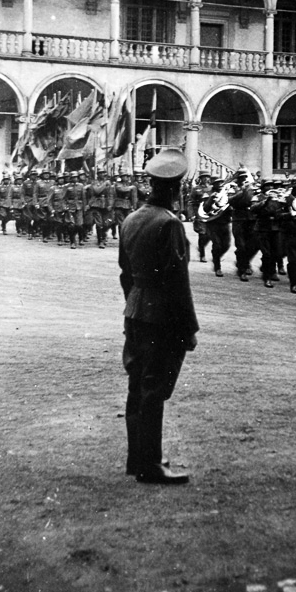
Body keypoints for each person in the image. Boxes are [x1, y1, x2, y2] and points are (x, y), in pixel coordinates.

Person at [119, 148, 198, 485]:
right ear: (175, 188)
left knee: (137, 386)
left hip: (136, 311)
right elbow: (178, 281)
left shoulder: (131, 219)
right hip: (162, 317)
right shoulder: (170, 223)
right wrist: (189, 328)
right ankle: (151, 465)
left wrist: (136, 303)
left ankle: (137, 458)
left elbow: (125, 274)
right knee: (155, 389)